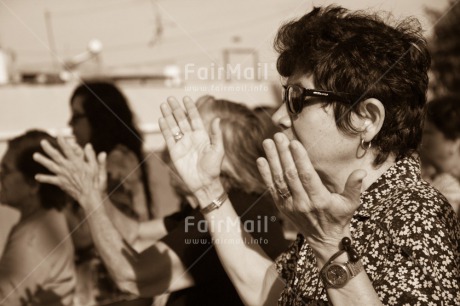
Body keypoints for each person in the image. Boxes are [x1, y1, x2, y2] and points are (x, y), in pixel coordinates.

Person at [155, 6, 459, 306]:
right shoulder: (331, 210)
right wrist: (209, 189)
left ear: (365, 118)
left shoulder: (416, 213)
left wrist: (330, 247)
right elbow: (265, 293)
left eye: (297, 98)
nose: (279, 116)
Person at [34, 96, 289, 306]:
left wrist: (88, 198)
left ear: (223, 154)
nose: (173, 143)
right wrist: (97, 195)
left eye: (191, 131)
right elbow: (134, 234)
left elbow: (133, 277)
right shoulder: (221, 206)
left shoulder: (239, 213)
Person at [0, 130, 75, 306]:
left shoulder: (33, 239)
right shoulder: (49, 219)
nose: (0, 177)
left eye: (5, 171)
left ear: (34, 184)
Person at [420, 95, 460, 216]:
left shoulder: (452, 189)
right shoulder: (433, 178)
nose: (421, 140)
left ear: (454, 142)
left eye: (428, 133)